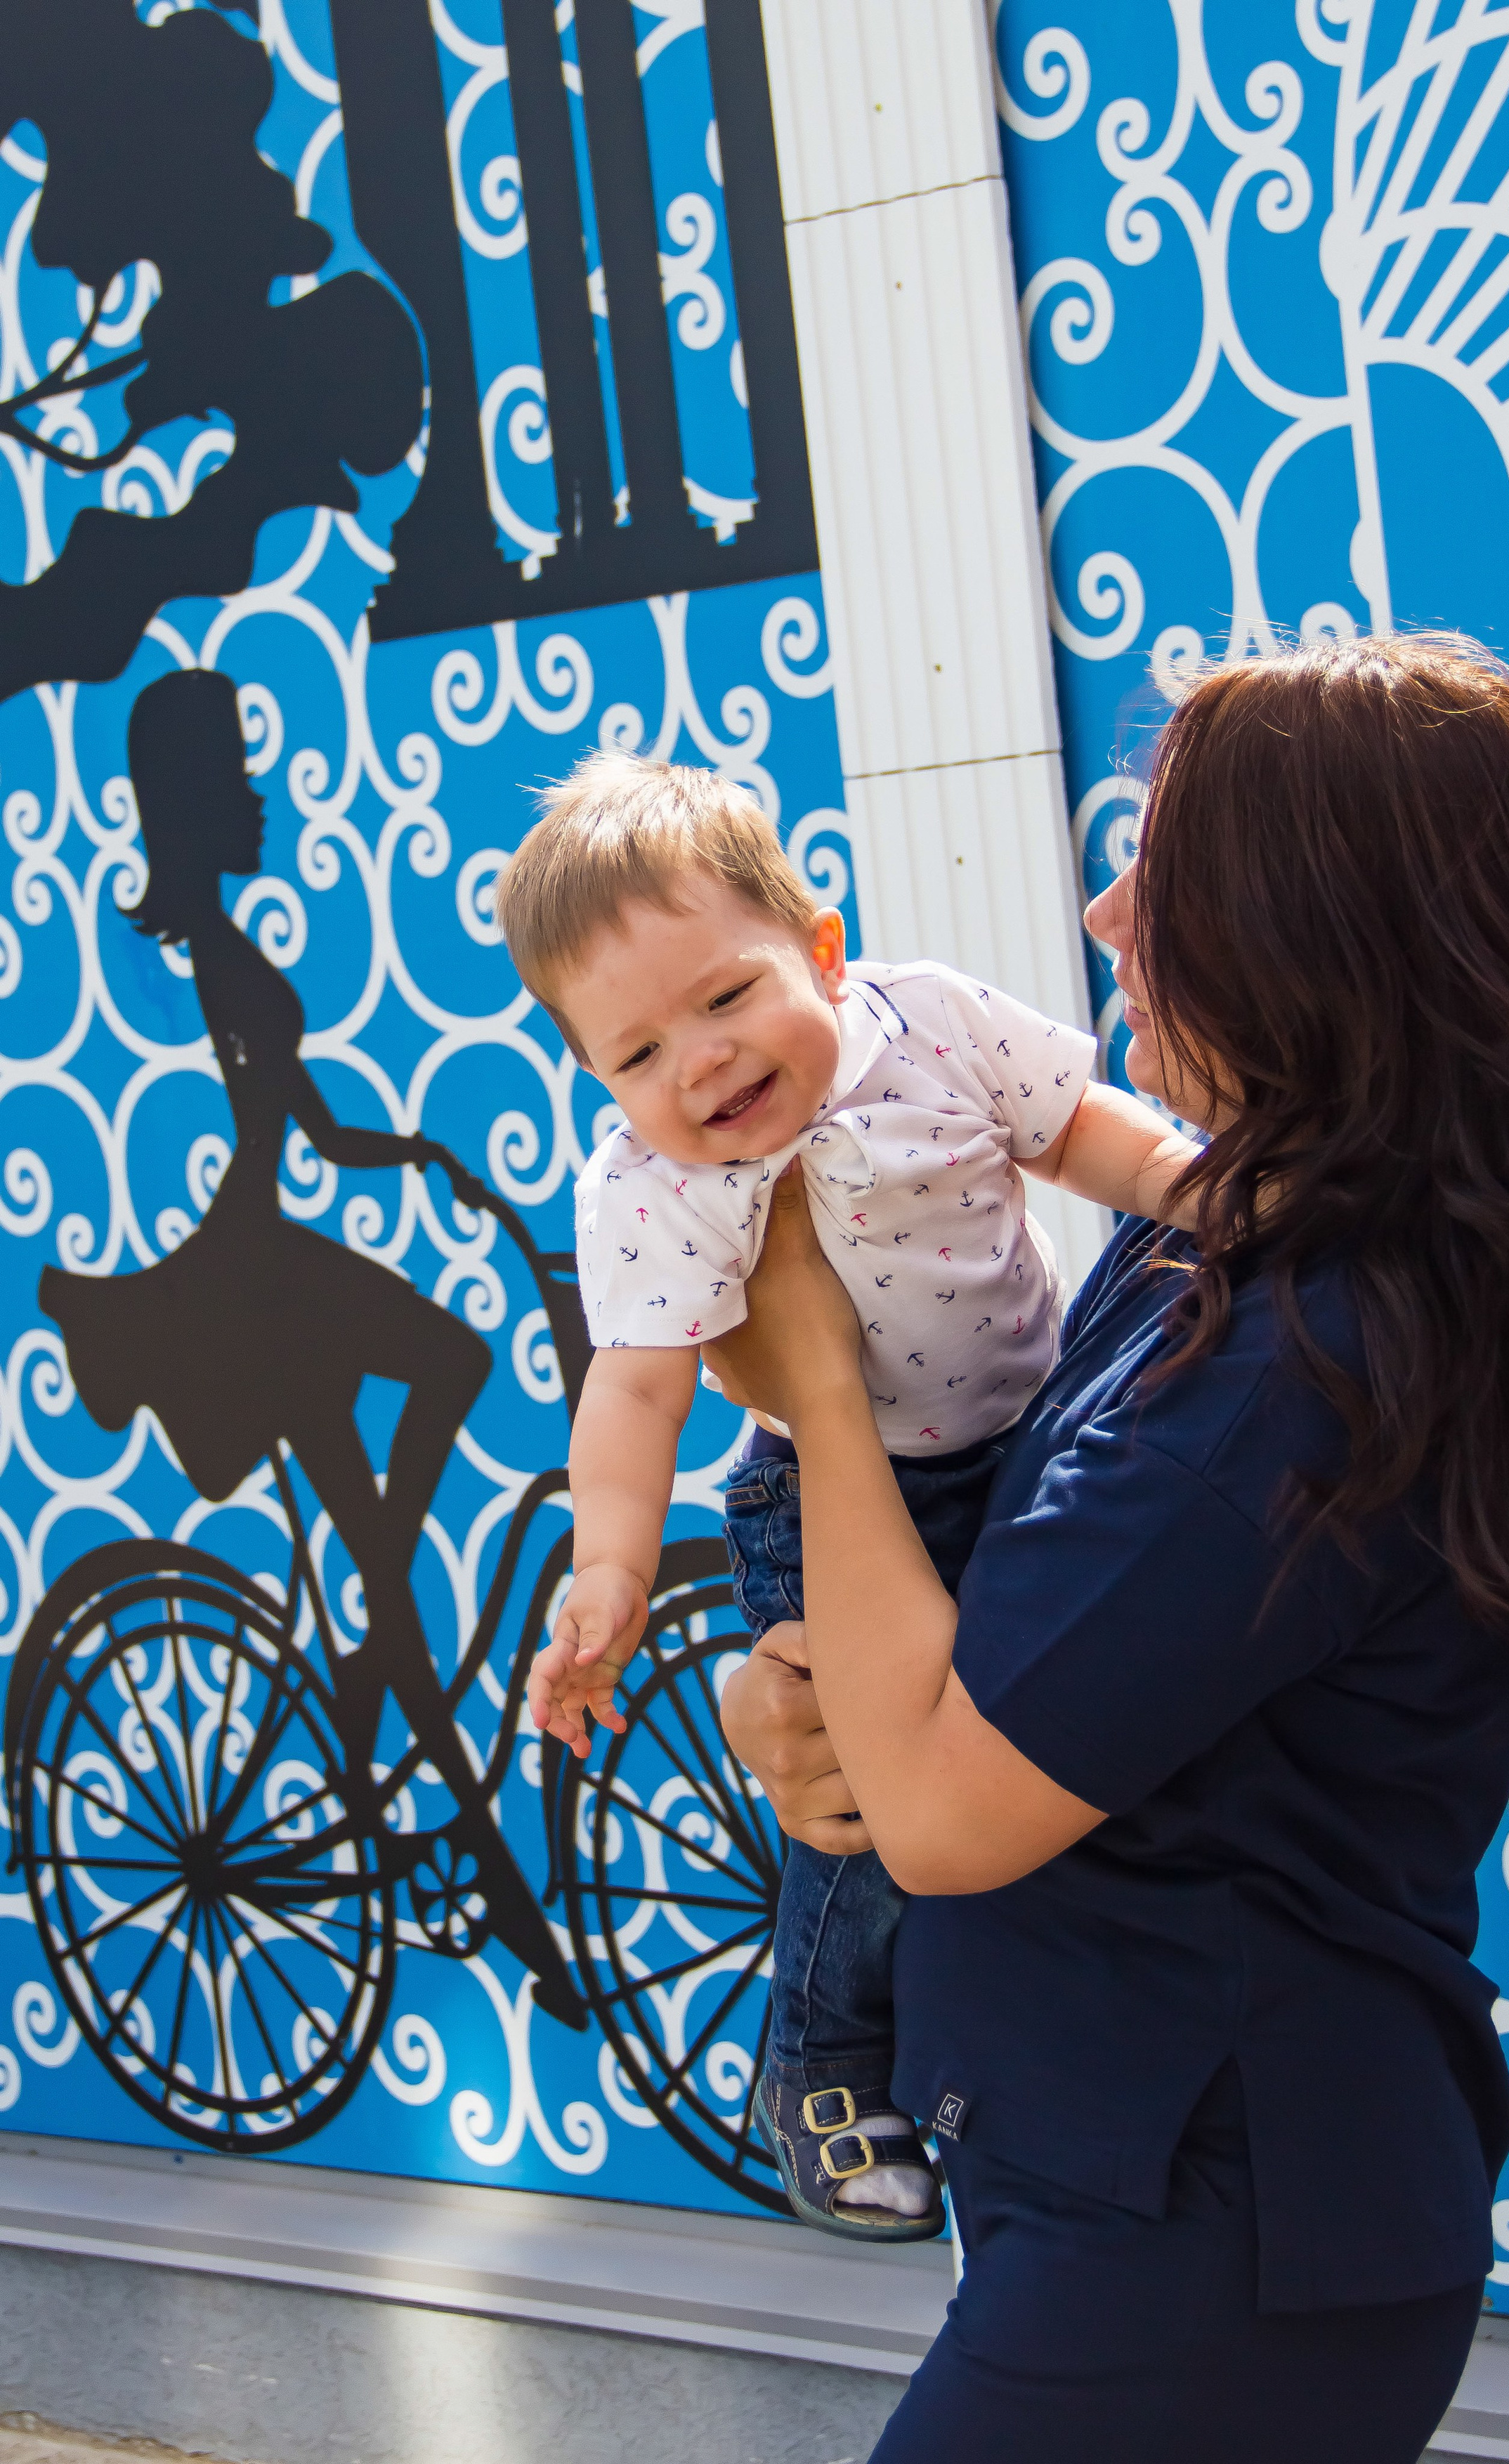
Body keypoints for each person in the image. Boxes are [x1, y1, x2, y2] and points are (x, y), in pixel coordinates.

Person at [705, 635, 1509, 2461]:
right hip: (1153, 2196)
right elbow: (1001, 1655)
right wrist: (805, 1707)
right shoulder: (1244, 1237)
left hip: (1204, 2236)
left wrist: (808, 1354)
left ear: (1302, 934)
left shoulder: (1314, 1360)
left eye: (1160, 873)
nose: (1111, 908)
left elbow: (958, 1807)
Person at [504, 751, 1196, 2237]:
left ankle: (1038, 2021)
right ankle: (821, 2059)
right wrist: (609, 1570)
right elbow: (634, 1387)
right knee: (861, 1795)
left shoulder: (933, 1026)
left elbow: (1082, 1131)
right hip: (821, 1494)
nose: (694, 1064)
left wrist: (1208, 1192)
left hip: (1028, 1428)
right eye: (633, 1055)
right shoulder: (651, 1183)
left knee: (1033, 1738)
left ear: (822, 950)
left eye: (725, 997)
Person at [41, 665, 585, 2027]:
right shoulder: (217, 962)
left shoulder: (232, 959)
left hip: (265, 1269)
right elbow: (245, 1157)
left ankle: (453, 1815)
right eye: (232, 773)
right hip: (246, 1286)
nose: (258, 793)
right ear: (183, 801)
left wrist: (433, 1162)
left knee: (393, 1610)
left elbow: (315, 1130)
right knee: (454, 1364)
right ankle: (459, 1813)